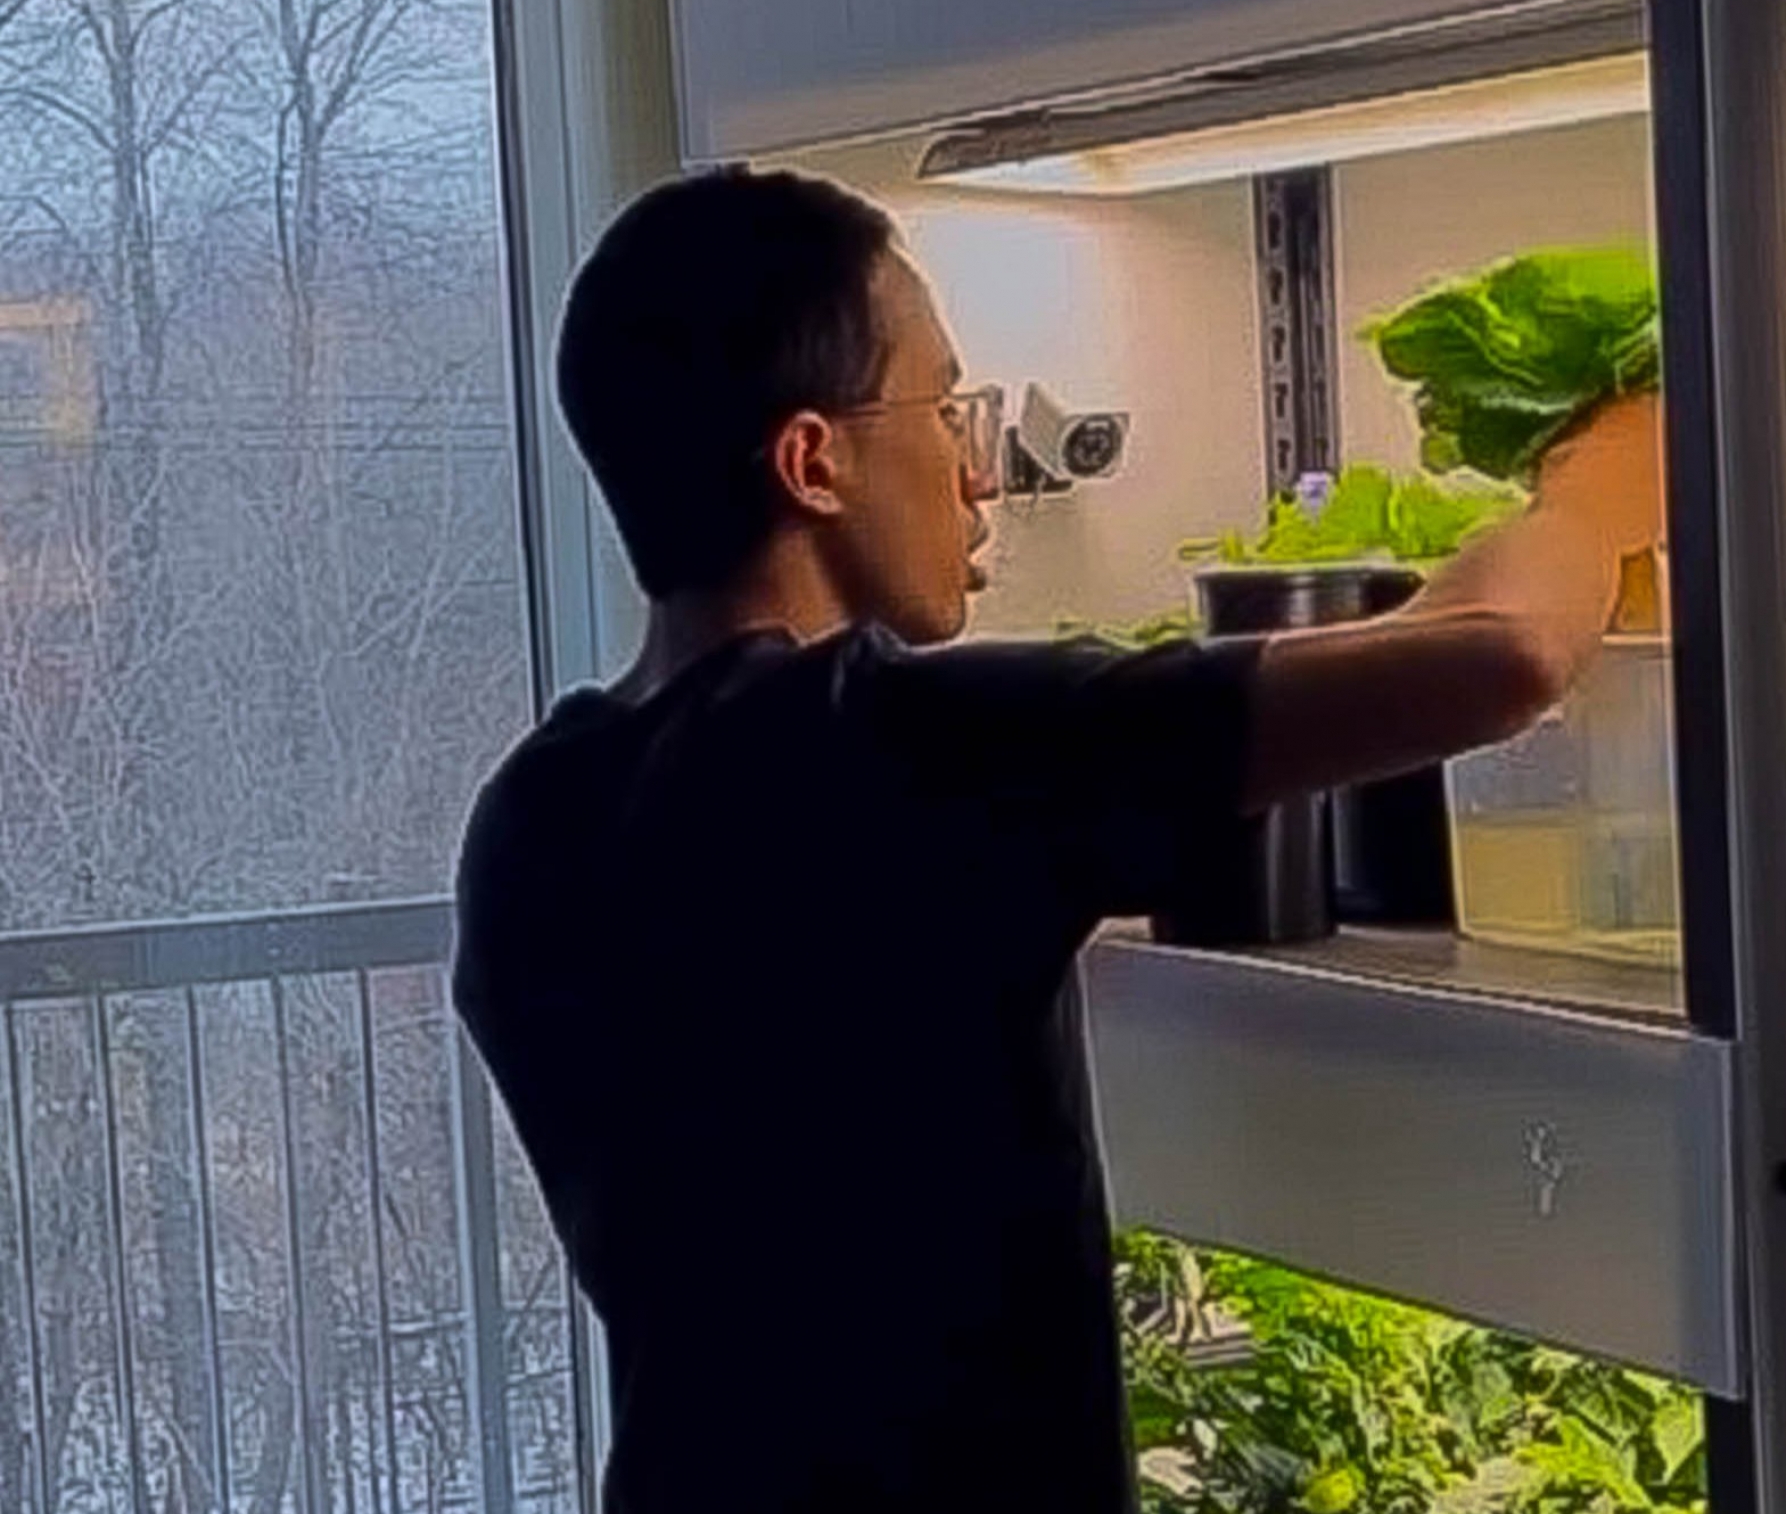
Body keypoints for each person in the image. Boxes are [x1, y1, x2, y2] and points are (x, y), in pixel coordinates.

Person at [451, 165, 1664, 1513]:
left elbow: (1365, 664)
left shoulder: (535, 812)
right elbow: (1498, 664)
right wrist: (1597, 498)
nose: (978, 471)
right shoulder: (898, 748)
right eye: (943, 407)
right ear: (814, 460)